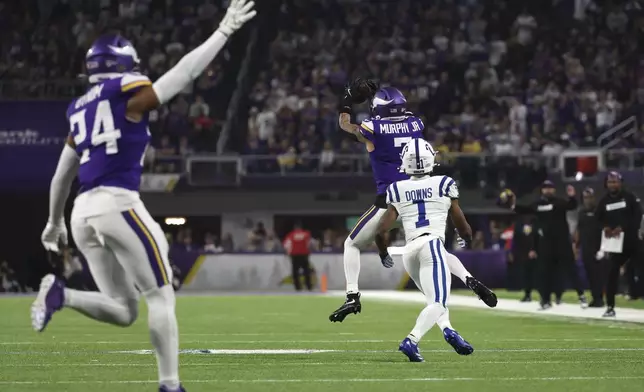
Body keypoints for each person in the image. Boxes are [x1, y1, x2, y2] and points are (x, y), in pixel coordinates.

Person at [34, 2, 257, 392]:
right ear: (125, 66)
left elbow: (62, 173)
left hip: (81, 213)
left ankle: (61, 294)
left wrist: (54, 222)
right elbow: (183, 74)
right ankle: (170, 385)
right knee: (160, 295)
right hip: (115, 203)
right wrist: (223, 31)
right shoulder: (126, 91)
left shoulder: (77, 109)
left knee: (123, 310)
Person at [329, 80, 497, 323]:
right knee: (435, 249)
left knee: (351, 245)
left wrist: (346, 100)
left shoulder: (371, 127)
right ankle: (468, 277)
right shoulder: (415, 124)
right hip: (417, 197)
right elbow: (395, 114)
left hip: (390, 200)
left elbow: (346, 125)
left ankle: (352, 295)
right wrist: (378, 97)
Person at [375, 138, 474, 361]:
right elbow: (461, 224)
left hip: (410, 251)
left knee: (433, 300)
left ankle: (449, 330)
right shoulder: (444, 183)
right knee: (439, 301)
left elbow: (381, 231)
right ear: (431, 159)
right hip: (432, 246)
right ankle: (411, 339)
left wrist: (383, 253)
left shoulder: (397, 188)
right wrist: (467, 238)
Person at [500, 181, 587, 309]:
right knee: (544, 272)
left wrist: (572, 196)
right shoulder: (538, 204)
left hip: (562, 241)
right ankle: (545, 300)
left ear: (554, 190)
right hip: (546, 243)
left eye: (550, 188)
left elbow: (572, 206)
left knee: (571, 269)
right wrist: (512, 204)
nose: (548, 190)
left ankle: (581, 295)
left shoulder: (559, 202)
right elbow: (524, 209)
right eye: (545, 188)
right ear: (542, 190)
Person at [595, 171, 642, 317]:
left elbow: (638, 216)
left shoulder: (629, 197)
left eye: (615, 182)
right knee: (611, 274)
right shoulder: (604, 201)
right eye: (610, 182)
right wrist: (605, 227)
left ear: (620, 183)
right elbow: (597, 219)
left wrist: (623, 228)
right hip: (616, 245)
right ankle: (610, 306)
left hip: (632, 241)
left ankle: (636, 293)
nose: (613, 185)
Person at [574, 187, 604, 307]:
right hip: (585, 247)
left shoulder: (599, 211)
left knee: (598, 274)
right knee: (589, 274)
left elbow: (605, 229)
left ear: (594, 198)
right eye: (585, 197)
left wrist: (603, 248)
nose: (588, 200)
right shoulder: (581, 213)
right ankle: (595, 298)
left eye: (590, 197)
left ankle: (600, 298)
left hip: (598, 248)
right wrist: (576, 246)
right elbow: (578, 230)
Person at [283, 221, 313, 291]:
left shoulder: (291, 235)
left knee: (295, 272)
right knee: (306, 271)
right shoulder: (306, 234)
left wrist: (287, 253)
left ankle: (298, 287)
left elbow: (286, 245)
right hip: (304, 254)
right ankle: (308, 286)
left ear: (295, 228)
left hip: (295, 255)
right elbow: (310, 243)